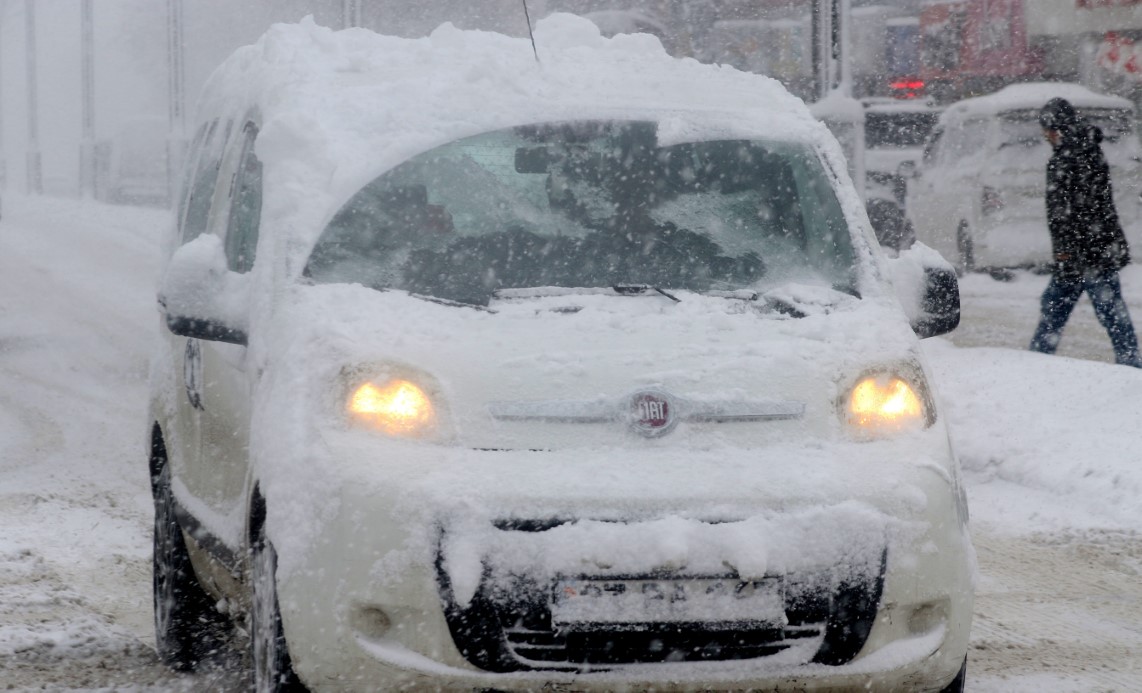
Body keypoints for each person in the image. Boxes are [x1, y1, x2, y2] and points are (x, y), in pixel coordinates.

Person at [1028, 97, 1142, 367]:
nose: (1046, 136)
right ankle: (1130, 363)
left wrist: (1066, 251)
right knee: (1109, 311)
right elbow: (1098, 206)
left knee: (1059, 309)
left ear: (1057, 128)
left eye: (1048, 130)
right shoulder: (1089, 151)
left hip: (1083, 253)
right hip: (1098, 248)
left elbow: (1065, 213)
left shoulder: (1066, 160)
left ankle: (1035, 363)